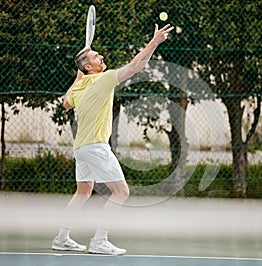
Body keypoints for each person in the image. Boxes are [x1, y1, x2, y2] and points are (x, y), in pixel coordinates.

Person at [52, 24, 174, 255]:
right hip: (96, 146)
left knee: (83, 193)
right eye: (96, 56)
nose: (102, 56)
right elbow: (137, 65)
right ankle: (100, 240)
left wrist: (79, 77)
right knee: (121, 192)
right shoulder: (103, 79)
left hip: (81, 148)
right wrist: (155, 41)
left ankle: (61, 238)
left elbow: (66, 102)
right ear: (90, 66)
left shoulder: (80, 87)